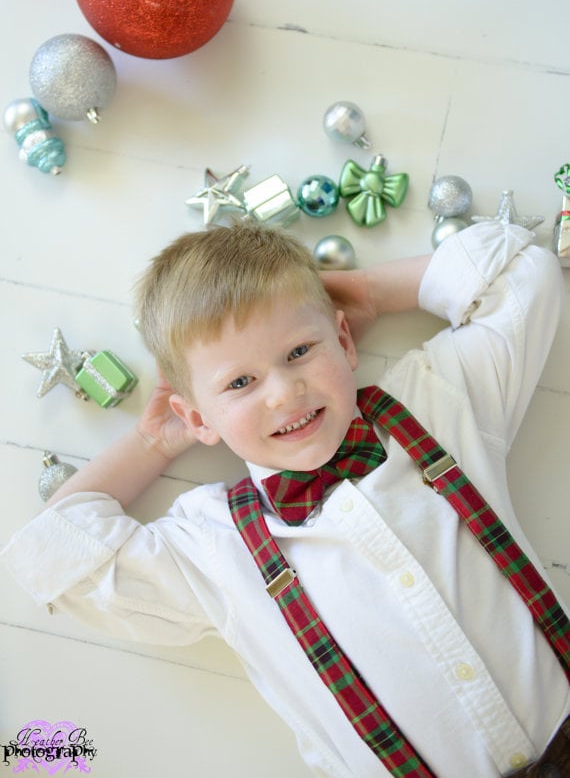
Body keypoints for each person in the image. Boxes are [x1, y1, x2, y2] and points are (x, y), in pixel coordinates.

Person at [2, 220, 568, 778]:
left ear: (344, 341)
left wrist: (368, 289)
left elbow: (522, 272)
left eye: (299, 350)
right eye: (239, 384)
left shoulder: (436, 401)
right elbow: (55, 553)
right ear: (198, 416)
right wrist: (154, 440)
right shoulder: (215, 545)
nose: (284, 391)